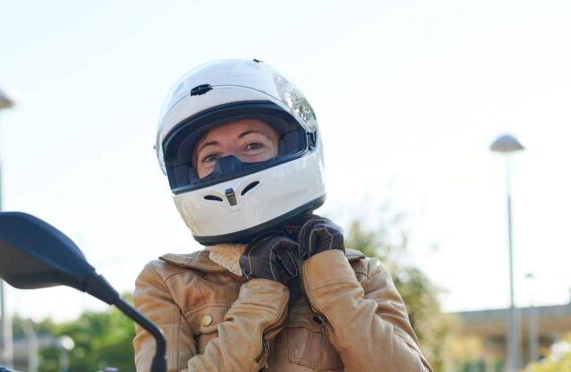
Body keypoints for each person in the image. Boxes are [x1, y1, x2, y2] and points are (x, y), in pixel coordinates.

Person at [133, 59, 433, 371]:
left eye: (251, 144)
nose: (230, 166)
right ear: (190, 172)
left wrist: (331, 278)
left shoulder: (362, 273)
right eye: (212, 156)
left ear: (291, 145)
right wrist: (262, 293)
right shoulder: (168, 281)